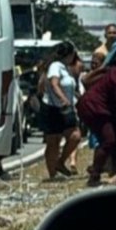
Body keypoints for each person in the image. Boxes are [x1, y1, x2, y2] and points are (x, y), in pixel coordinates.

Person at [78, 53, 116, 187]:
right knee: (109, 139)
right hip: (95, 108)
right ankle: (95, 174)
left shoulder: (111, 71)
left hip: (99, 108)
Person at [39, 41, 82, 180]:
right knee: (53, 141)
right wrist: (63, 99)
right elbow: (54, 83)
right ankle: (52, 174)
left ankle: (60, 162)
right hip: (53, 108)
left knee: (75, 136)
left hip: (67, 108)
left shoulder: (65, 68)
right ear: (69, 54)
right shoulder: (55, 66)